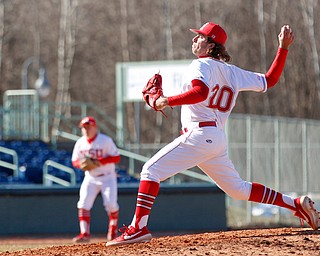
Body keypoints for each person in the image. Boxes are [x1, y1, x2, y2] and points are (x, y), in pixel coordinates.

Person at [106, 22, 319, 247]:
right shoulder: (233, 72)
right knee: (238, 189)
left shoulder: (200, 66)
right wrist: (283, 48)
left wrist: (167, 100)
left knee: (150, 171)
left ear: (211, 45)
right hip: (215, 138)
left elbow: (201, 92)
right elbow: (270, 80)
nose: (194, 40)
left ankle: (137, 228)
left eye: (199, 37)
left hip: (200, 134)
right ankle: (295, 204)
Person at [72, 116, 121, 242]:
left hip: (108, 177)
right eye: (84, 128)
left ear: (95, 127)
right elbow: (74, 161)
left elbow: (116, 157)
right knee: (83, 204)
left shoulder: (105, 140)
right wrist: (81, 165)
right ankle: (84, 234)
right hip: (90, 177)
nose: (86, 130)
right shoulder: (80, 143)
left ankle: (113, 228)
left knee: (111, 205)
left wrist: (99, 161)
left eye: (89, 127)